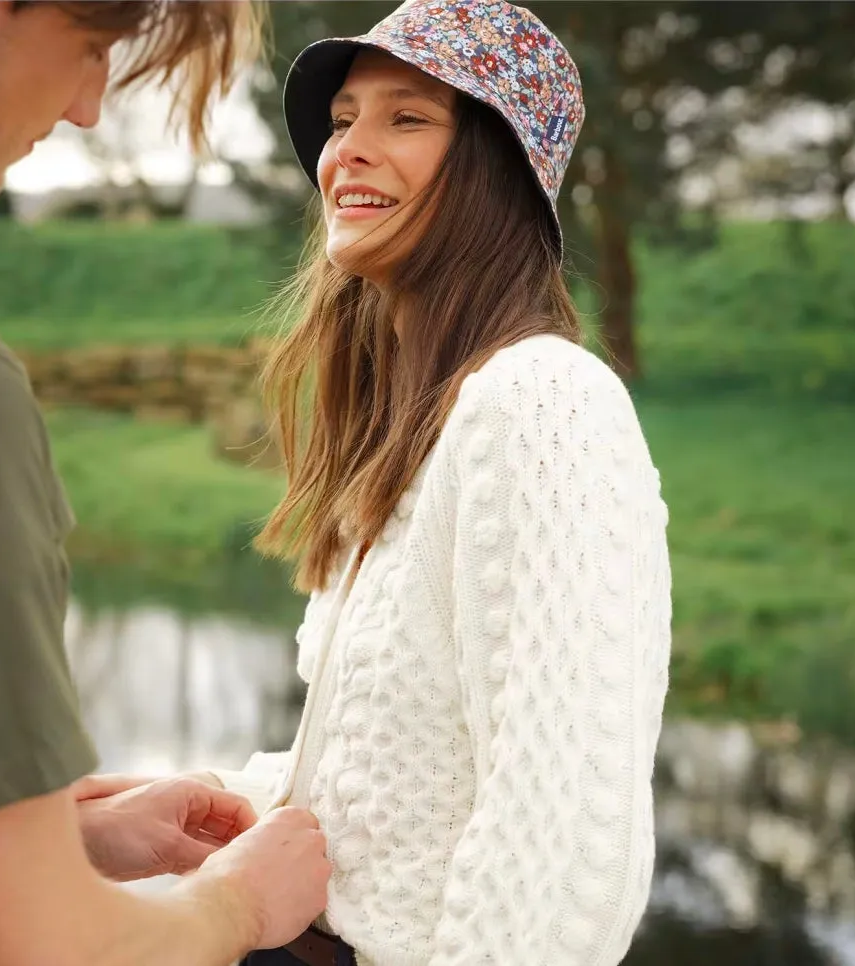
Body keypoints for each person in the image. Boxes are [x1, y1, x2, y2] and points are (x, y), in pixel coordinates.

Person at [214, 1, 673, 964]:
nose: (348, 153)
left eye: (407, 118)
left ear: (497, 169)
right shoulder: (416, 421)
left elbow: (565, 842)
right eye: (343, 121)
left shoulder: (544, 402)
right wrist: (212, 809)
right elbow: (382, 767)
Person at [0, 3, 331, 965]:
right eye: (90, 47)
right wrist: (239, 907)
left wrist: (62, 838)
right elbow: (42, 952)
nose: (90, 107)